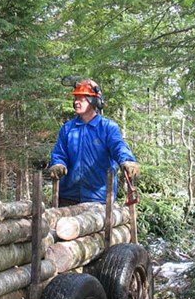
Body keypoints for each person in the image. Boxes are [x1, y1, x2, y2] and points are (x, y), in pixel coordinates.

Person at [49, 78, 140, 206]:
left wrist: (127, 160)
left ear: (94, 101)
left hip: (99, 198)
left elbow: (118, 146)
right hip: (68, 196)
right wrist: (58, 164)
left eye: (81, 99)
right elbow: (60, 153)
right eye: (76, 99)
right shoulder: (68, 128)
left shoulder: (107, 127)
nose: (76, 103)